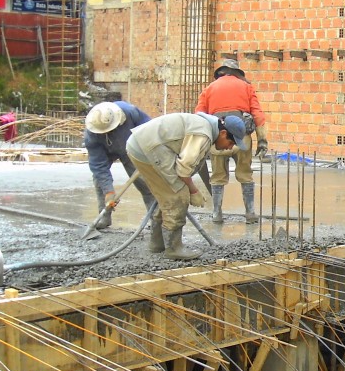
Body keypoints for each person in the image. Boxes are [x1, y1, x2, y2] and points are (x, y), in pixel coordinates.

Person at [126, 112, 249, 260]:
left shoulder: (207, 127)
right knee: (178, 194)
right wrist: (193, 191)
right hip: (148, 148)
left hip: (144, 144)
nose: (230, 147)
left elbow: (194, 165)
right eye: (231, 142)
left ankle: (158, 244)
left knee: (167, 195)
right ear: (223, 133)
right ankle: (174, 248)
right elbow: (183, 169)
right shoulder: (203, 134)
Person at [195, 58, 268, 224]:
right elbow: (257, 114)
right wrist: (262, 140)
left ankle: (216, 213)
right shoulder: (246, 87)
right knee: (245, 174)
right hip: (242, 138)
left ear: (220, 73)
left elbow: (199, 115)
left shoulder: (209, 89)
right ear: (237, 73)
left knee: (218, 176)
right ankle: (250, 214)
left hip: (218, 139)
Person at [84, 101, 160, 250]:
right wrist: (109, 192)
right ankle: (104, 215)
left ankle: (157, 220)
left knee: (145, 184)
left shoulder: (130, 112)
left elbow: (150, 130)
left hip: (132, 148)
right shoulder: (91, 134)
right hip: (105, 150)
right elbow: (98, 166)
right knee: (100, 181)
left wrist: (146, 153)